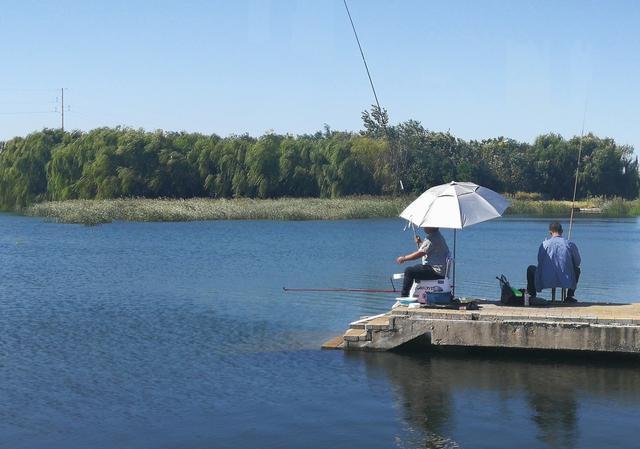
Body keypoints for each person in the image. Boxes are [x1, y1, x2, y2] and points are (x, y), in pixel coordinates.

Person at [526, 222, 581, 303]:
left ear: (550, 232)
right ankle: (569, 296)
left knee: (530, 269)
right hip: (566, 278)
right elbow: (577, 262)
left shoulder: (544, 244)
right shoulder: (570, 244)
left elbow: (539, 261)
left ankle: (532, 295)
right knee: (577, 270)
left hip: (546, 278)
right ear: (561, 231)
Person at [396, 227, 450, 297]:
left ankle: (404, 296)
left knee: (409, 271)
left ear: (431, 227)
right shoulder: (437, 236)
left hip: (435, 271)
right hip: (439, 270)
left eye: (425, 226)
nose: (424, 228)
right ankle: (417, 292)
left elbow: (421, 253)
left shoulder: (431, 238)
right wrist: (420, 242)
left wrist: (404, 258)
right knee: (415, 268)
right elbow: (428, 248)